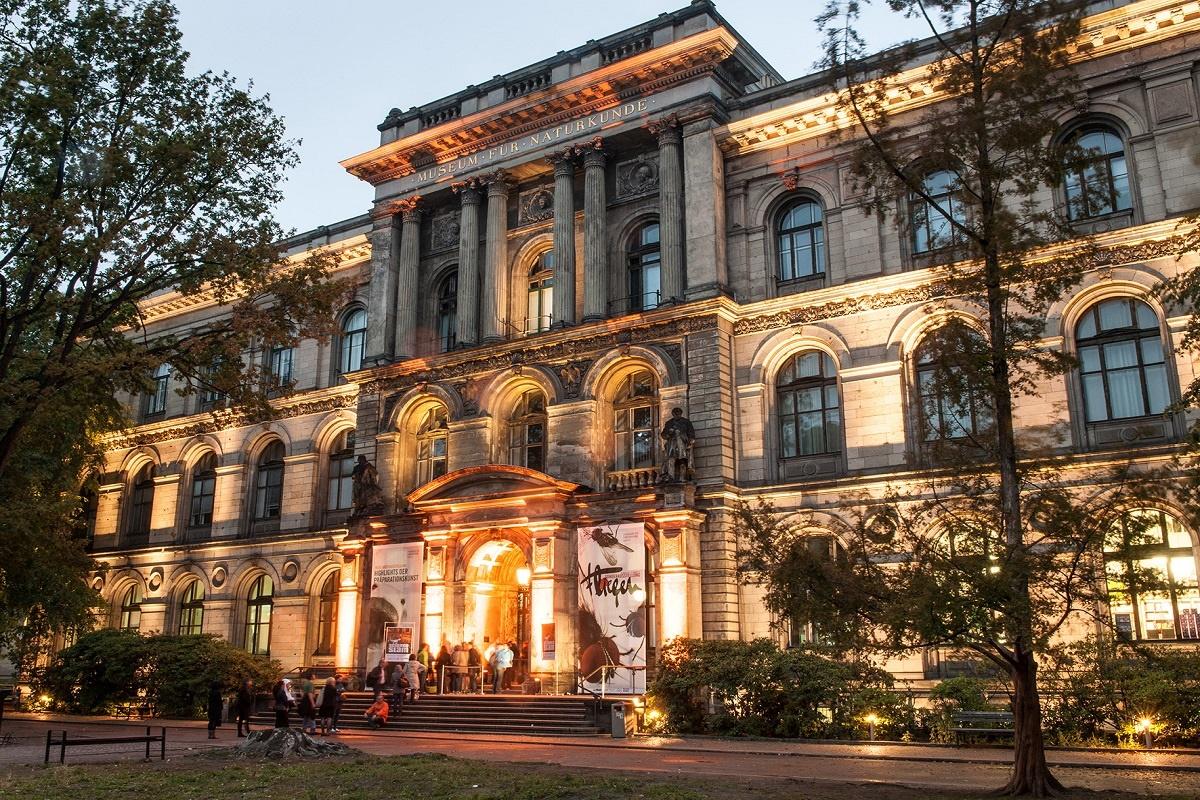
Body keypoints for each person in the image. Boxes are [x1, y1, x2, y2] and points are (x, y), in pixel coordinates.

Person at [298, 671, 317, 735]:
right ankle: (312, 729)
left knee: (306, 716)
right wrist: (313, 703)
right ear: (311, 676)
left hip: (305, 701)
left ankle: (304, 729)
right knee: (311, 716)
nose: (315, 676)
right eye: (314, 675)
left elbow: (302, 694)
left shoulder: (305, 683)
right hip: (309, 701)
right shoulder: (310, 684)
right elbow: (310, 694)